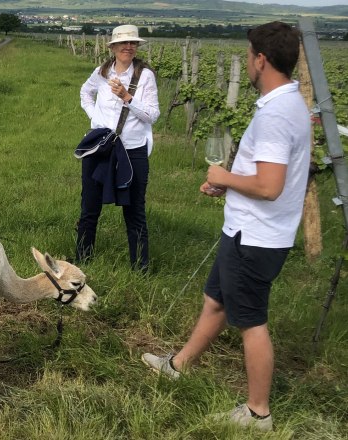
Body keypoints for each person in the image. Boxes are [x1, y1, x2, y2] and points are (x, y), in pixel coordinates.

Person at [142, 21, 310, 432]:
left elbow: (270, 186)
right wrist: (231, 188)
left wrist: (224, 177)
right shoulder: (287, 104)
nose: (248, 63)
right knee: (216, 300)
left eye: (249, 55)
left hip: (257, 236)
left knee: (251, 322)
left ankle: (258, 413)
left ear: (262, 60)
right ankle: (177, 366)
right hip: (247, 229)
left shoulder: (276, 114)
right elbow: (269, 179)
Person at [76, 24, 160, 272]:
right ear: (112, 47)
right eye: (123, 43)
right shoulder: (101, 72)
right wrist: (96, 120)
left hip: (132, 150)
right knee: (89, 207)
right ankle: (82, 261)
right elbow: (85, 93)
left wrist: (127, 97)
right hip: (100, 148)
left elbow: (152, 115)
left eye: (133, 43)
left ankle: (140, 269)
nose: (129, 46)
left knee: (135, 211)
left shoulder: (145, 76)